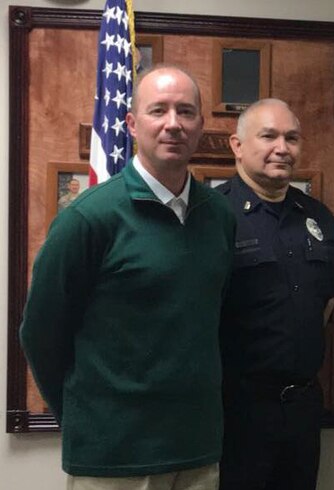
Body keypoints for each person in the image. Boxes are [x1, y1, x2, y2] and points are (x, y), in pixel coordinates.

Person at [20, 65, 236, 487]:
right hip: (113, 456)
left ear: (200, 126)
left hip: (197, 450)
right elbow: (40, 334)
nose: (173, 124)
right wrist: (87, 418)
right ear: (133, 125)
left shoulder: (219, 216)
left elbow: (213, 317)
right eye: (159, 111)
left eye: (186, 112)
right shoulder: (89, 218)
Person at [217, 98, 334, 490]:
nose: (282, 148)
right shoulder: (214, 216)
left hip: (302, 408)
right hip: (236, 410)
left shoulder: (317, 217)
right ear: (237, 146)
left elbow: (326, 300)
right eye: (268, 136)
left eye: (291, 138)